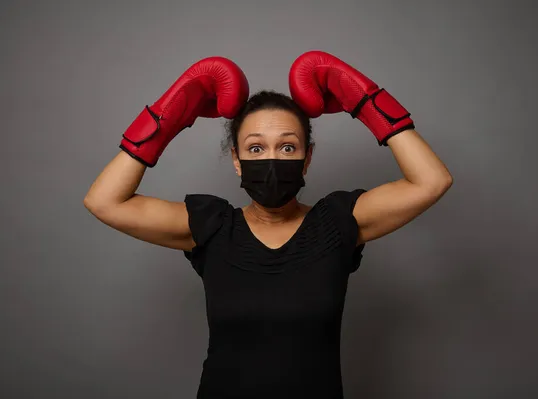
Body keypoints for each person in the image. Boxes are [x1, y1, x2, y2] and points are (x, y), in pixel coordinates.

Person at [84, 51, 453, 399]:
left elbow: (431, 181)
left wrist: (367, 101)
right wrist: (167, 119)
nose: (272, 160)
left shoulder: (339, 222)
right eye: (256, 148)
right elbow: (104, 201)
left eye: (288, 147)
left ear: (307, 159)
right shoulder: (211, 226)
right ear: (236, 160)